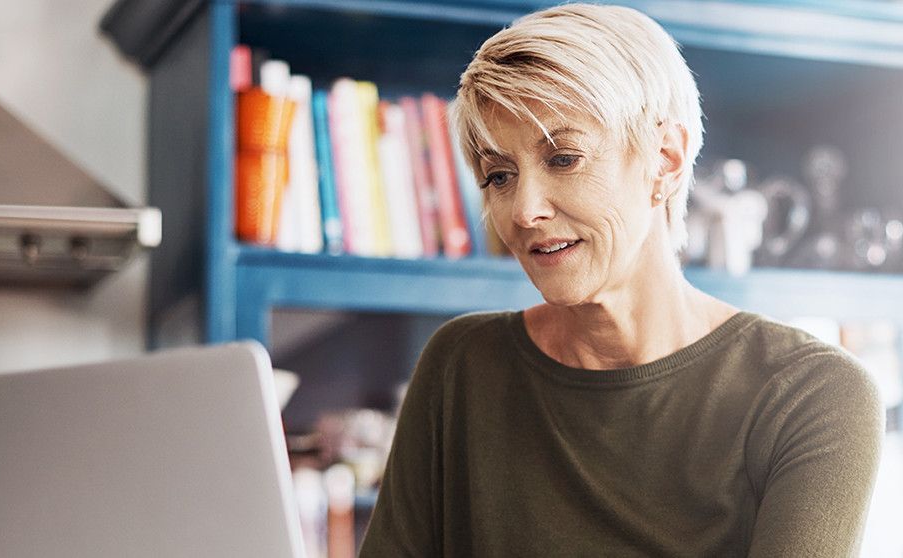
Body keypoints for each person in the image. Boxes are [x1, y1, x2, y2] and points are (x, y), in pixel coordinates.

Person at [359, 3, 884, 557]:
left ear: (665, 160)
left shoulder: (809, 394)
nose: (523, 210)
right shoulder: (461, 365)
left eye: (563, 158)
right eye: (500, 175)